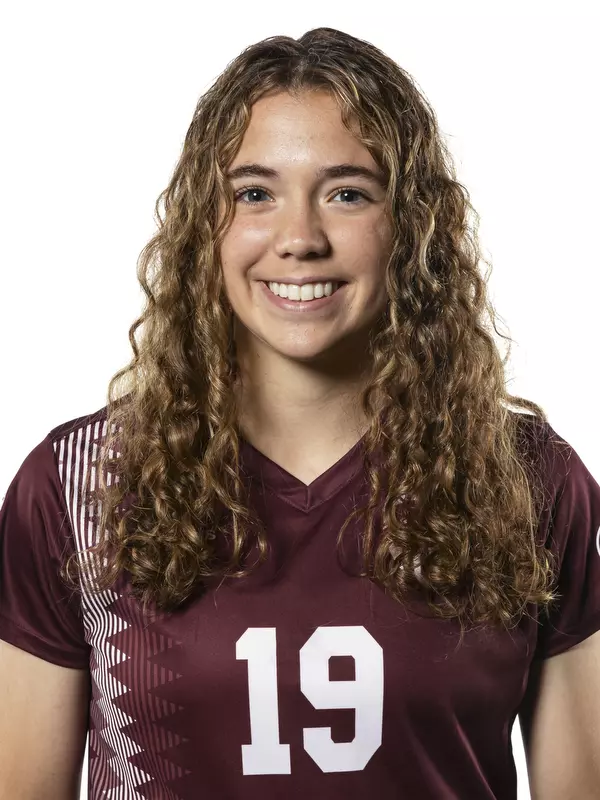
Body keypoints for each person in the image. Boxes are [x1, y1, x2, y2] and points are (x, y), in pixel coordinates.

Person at [1, 26, 599, 800]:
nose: (299, 239)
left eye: (347, 192)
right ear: (201, 227)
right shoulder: (80, 488)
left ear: (410, 226)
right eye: (255, 194)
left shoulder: (528, 481)